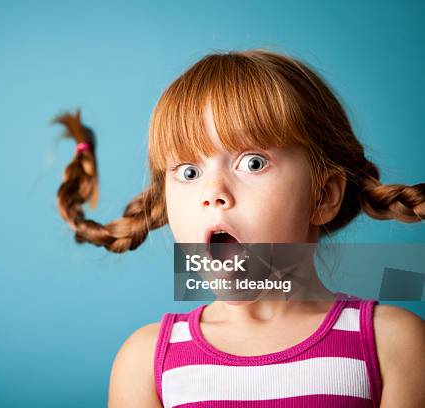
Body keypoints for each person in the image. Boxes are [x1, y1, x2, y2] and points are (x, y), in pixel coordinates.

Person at [53, 50, 425, 407]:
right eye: (189, 172)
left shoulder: (391, 344)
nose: (213, 193)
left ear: (322, 195)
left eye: (253, 163)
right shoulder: (147, 364)